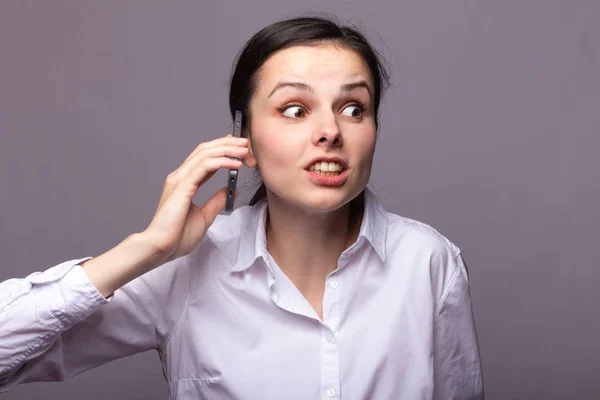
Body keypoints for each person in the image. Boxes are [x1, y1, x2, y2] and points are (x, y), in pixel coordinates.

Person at [0, 16, 483, 400]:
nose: (330, 132)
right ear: (243, 136)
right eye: (294, 109)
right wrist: (146, 249)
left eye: (353, 108)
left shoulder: (428, 261)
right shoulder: (187, 268)